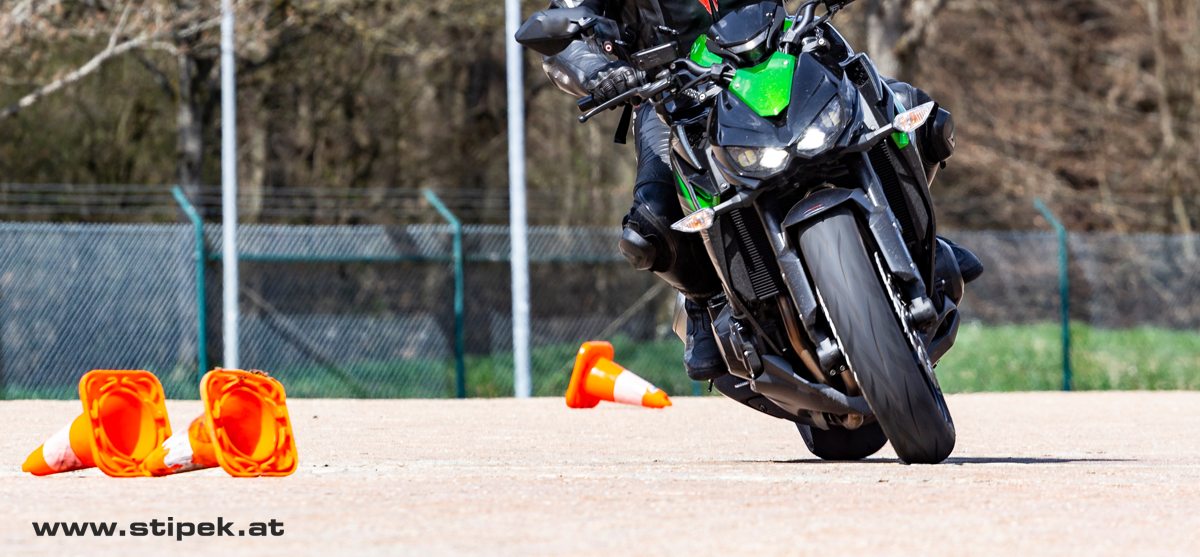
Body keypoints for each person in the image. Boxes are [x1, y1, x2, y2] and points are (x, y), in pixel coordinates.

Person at [536, 0, 982, 381]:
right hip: (673, 92)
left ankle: (913, 233)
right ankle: (707, 301)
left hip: (779, 45)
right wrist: (597, 72)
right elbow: (565, 26)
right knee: (650, 229)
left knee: (910, 112)